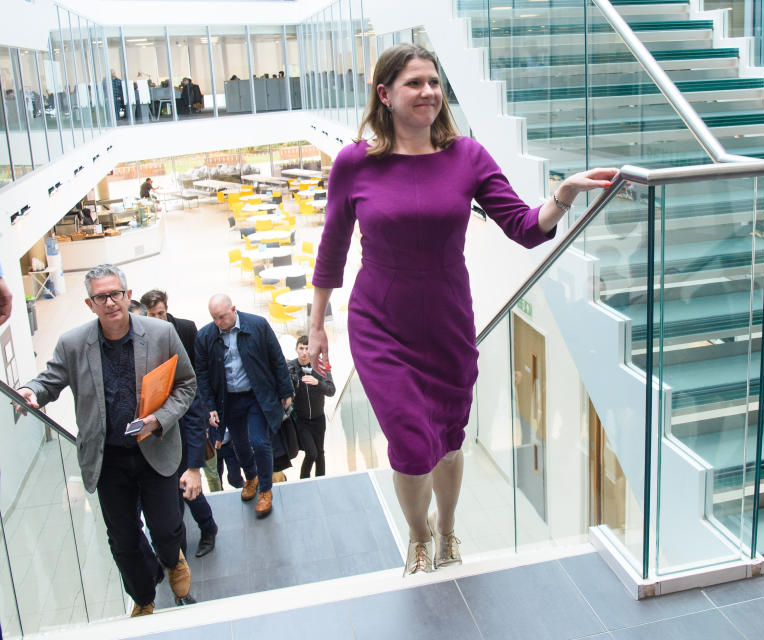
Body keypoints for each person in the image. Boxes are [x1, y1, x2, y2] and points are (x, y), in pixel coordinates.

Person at [308, 43, 616, 576]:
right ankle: (419, 537)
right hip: (379, 322)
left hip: (448, 319)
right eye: (414, 83)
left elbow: (523, 227)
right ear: (384, 95)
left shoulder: (467, 156)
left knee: (449, 438)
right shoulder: (355, 162)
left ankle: (449, 530)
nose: (428, 92)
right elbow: (333, 247)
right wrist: (316, 326)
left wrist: (562, 195)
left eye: (434, 82)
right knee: (408, 437)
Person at [17, 264, 200, 616]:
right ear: (90, 304)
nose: (110, 302)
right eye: (101, 297)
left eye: (115, 294)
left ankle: (171, 558)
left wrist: (158, 420)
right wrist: (31, 391)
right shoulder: (73, 344)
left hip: (155, 449)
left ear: (128, 296)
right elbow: (50, 379)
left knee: (165, 528)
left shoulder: (161, 334)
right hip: (108, 459)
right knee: (123, 540)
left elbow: (187, 384)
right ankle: (144, 596)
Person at [194, 294, 294, 519]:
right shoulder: (205, 337)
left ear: (233, 309)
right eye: (214, 318)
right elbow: (201, 374)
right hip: (228, 400)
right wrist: (209, 406)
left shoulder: (257, 325)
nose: (219, 322)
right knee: (239, 445)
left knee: (260, 442)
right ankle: (251, 478)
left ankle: (266, 490)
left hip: (256, 395)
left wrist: (285, 390)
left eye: (222, 317)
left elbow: (276, 357)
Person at [141, 289, 219, 557]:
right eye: (152, 315)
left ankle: (208, 528)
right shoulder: (143, 337)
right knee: (170, 491)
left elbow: (198, 371)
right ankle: (179, 552)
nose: (158, 319)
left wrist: (206, 408)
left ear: (167, 310)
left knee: (188, 485)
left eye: (161, 314)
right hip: (161, 421)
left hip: (186, 413)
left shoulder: (185, 329)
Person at [288, 335, 335, 478]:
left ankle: (321, 481)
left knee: (320, 453)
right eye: (301, 348)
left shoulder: (320, 366)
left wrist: (317, 383)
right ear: (296, 349)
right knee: (311, 453)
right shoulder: (290, 367)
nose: (304, 352)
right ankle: (304, 481)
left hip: (318, 418)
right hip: (301, 419)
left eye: (307, 348)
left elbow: (331, 390)